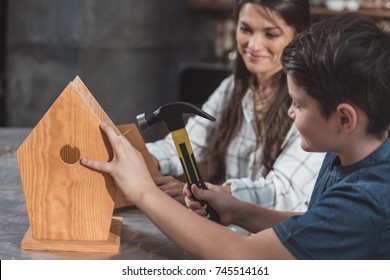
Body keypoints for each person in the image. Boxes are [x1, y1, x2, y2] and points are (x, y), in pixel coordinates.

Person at [82, 12, 390, 259]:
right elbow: (312, 230)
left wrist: (141, 191)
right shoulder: (346, 154)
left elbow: (240, 256)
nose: (289, 112)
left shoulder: (367, 199)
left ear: (344, 118)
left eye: (298, 104)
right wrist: (240, 211)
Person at [147, 0, 324, 214]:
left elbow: (282, 192)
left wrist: (212, 193)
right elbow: (189, 143)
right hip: (230, 232)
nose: (254, 45)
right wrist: (139, 157)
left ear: (298, 35)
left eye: (271, 34)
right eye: (245, 29)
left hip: (278, 242)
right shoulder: (232, 88)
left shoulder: (310, 101)